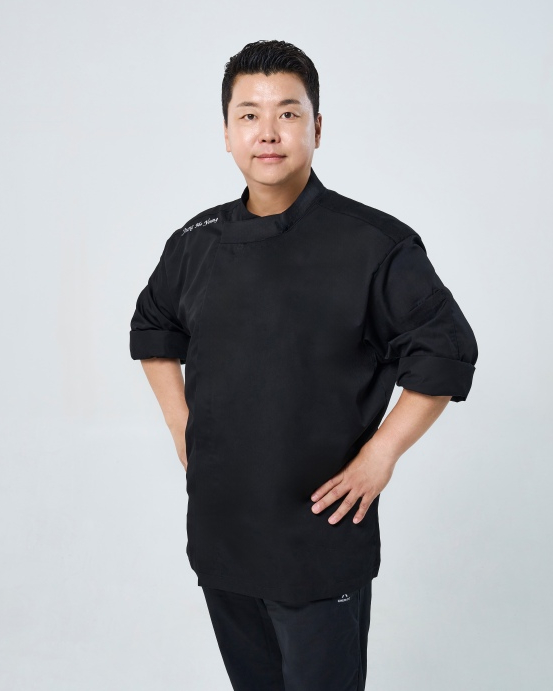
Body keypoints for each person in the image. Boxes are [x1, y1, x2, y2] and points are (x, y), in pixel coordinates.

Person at [129, 39, 478, 690]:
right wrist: (184, 429)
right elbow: (153, 326)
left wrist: (382, 455)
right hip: (224, 533)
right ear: (226, 133)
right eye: (249, 115)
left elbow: (445, 348)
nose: (268, 132)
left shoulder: (375, 244)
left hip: (320, 539)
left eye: (287, 113)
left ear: (317, 127)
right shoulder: (195, 243)